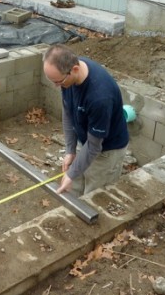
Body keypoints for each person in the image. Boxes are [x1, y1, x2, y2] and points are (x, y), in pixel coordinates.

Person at [43, 43, 129, 197]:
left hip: (106, 151)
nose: (57, 86)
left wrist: (71, 174)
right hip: (87, 143)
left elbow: (95, 146)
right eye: (53, 81)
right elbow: (68, 111)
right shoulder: (67, 72)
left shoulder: (99, 97)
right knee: (73, 187)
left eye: (58, 82)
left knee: (95, 198)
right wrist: (70, 150)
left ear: (74, 70)